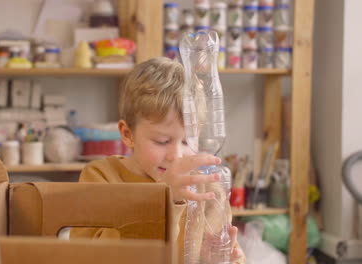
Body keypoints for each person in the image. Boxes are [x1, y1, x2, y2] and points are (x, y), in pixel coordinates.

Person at [71, 57, 245, 263]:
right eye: (162, 141)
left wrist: (219, 260)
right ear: (128, 134)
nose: (177, 155)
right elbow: (92, 257)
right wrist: (163, 201)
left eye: (188, 141)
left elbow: (231, 255)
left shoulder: (209, 191)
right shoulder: (102, 178)